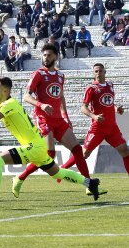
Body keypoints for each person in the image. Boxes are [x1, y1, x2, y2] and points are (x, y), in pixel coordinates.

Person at [0, 77, 101, 208]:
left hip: (34, 146)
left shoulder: (10, 104)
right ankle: (90, 183)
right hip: (38, 145)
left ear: (6, 91)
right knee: (57, 173)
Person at [11, 44, 102, 199]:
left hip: (58, 120)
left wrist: (65, 116)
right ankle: (20, 177)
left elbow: (60, 97)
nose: (45, 58)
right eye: (44, 55)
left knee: (77, 150)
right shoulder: (38, 74)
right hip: (43, 118)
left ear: (56, 56)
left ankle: (88, 185)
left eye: (49, 55)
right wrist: (41, 105)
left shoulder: (60, 76)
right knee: (50, 154)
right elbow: (26, 96)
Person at [59, 63, 129, 177]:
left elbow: (109, 102)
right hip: (97, 128)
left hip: (112, 128)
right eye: (96, 71)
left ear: (104, 72)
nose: (98, 73)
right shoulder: (91, 88)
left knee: (125, 151)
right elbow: (83, 107)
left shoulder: (110, 85)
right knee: (84, 154)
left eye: (100, 71)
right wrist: (94, 116)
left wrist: (116, 108)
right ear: (93, 73)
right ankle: (62, 170)